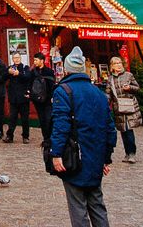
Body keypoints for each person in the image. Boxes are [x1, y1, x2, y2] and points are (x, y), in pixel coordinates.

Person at [50, 46, 116, 227]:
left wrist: (56, 153)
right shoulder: (99, 94)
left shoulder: (63, 91)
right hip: (95, 156)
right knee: (97, 204)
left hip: (75, 157)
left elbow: (60, 125)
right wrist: (106, 157)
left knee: (78, 206)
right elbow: (110, 128)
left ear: (67, 68)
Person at [104, 55, 141, 163]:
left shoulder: (128, 75)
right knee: (123, 130)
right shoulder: (110, 79)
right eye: (116, 63)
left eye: (119, 63)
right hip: (118, 107)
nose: (118, 65)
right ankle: (127, 153)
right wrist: (105, 103)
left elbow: (137, 88)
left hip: (128, 105)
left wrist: (130, 88)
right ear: (112, 66)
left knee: (129, 129)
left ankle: (132, 153)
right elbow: (108, 93)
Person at [5, 52, 32, 143]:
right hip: (13, 98)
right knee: (12, 118)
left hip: (23, 97)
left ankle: (25, 136)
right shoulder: (10, 68)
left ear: (20, 58)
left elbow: (28, 77)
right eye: (15, 58)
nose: (16, 59)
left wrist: (18, 74)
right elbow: (4, 77)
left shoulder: (25, 67)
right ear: (12, 59)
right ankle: (9, 136)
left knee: (25, 119)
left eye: (18, 57)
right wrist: (8, 73)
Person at [30, 51, 55, 143]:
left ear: (42, 61)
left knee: (48, 119)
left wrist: (52, 96)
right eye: (34, 60)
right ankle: (46, 139)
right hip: (37, 100)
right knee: (42, 120)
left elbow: (51, 86)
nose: (35, 62)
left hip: (48, 100)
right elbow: (30, 84)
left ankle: (50, 138)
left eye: (36, 60)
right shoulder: (33, 72)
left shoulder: (49, 72)